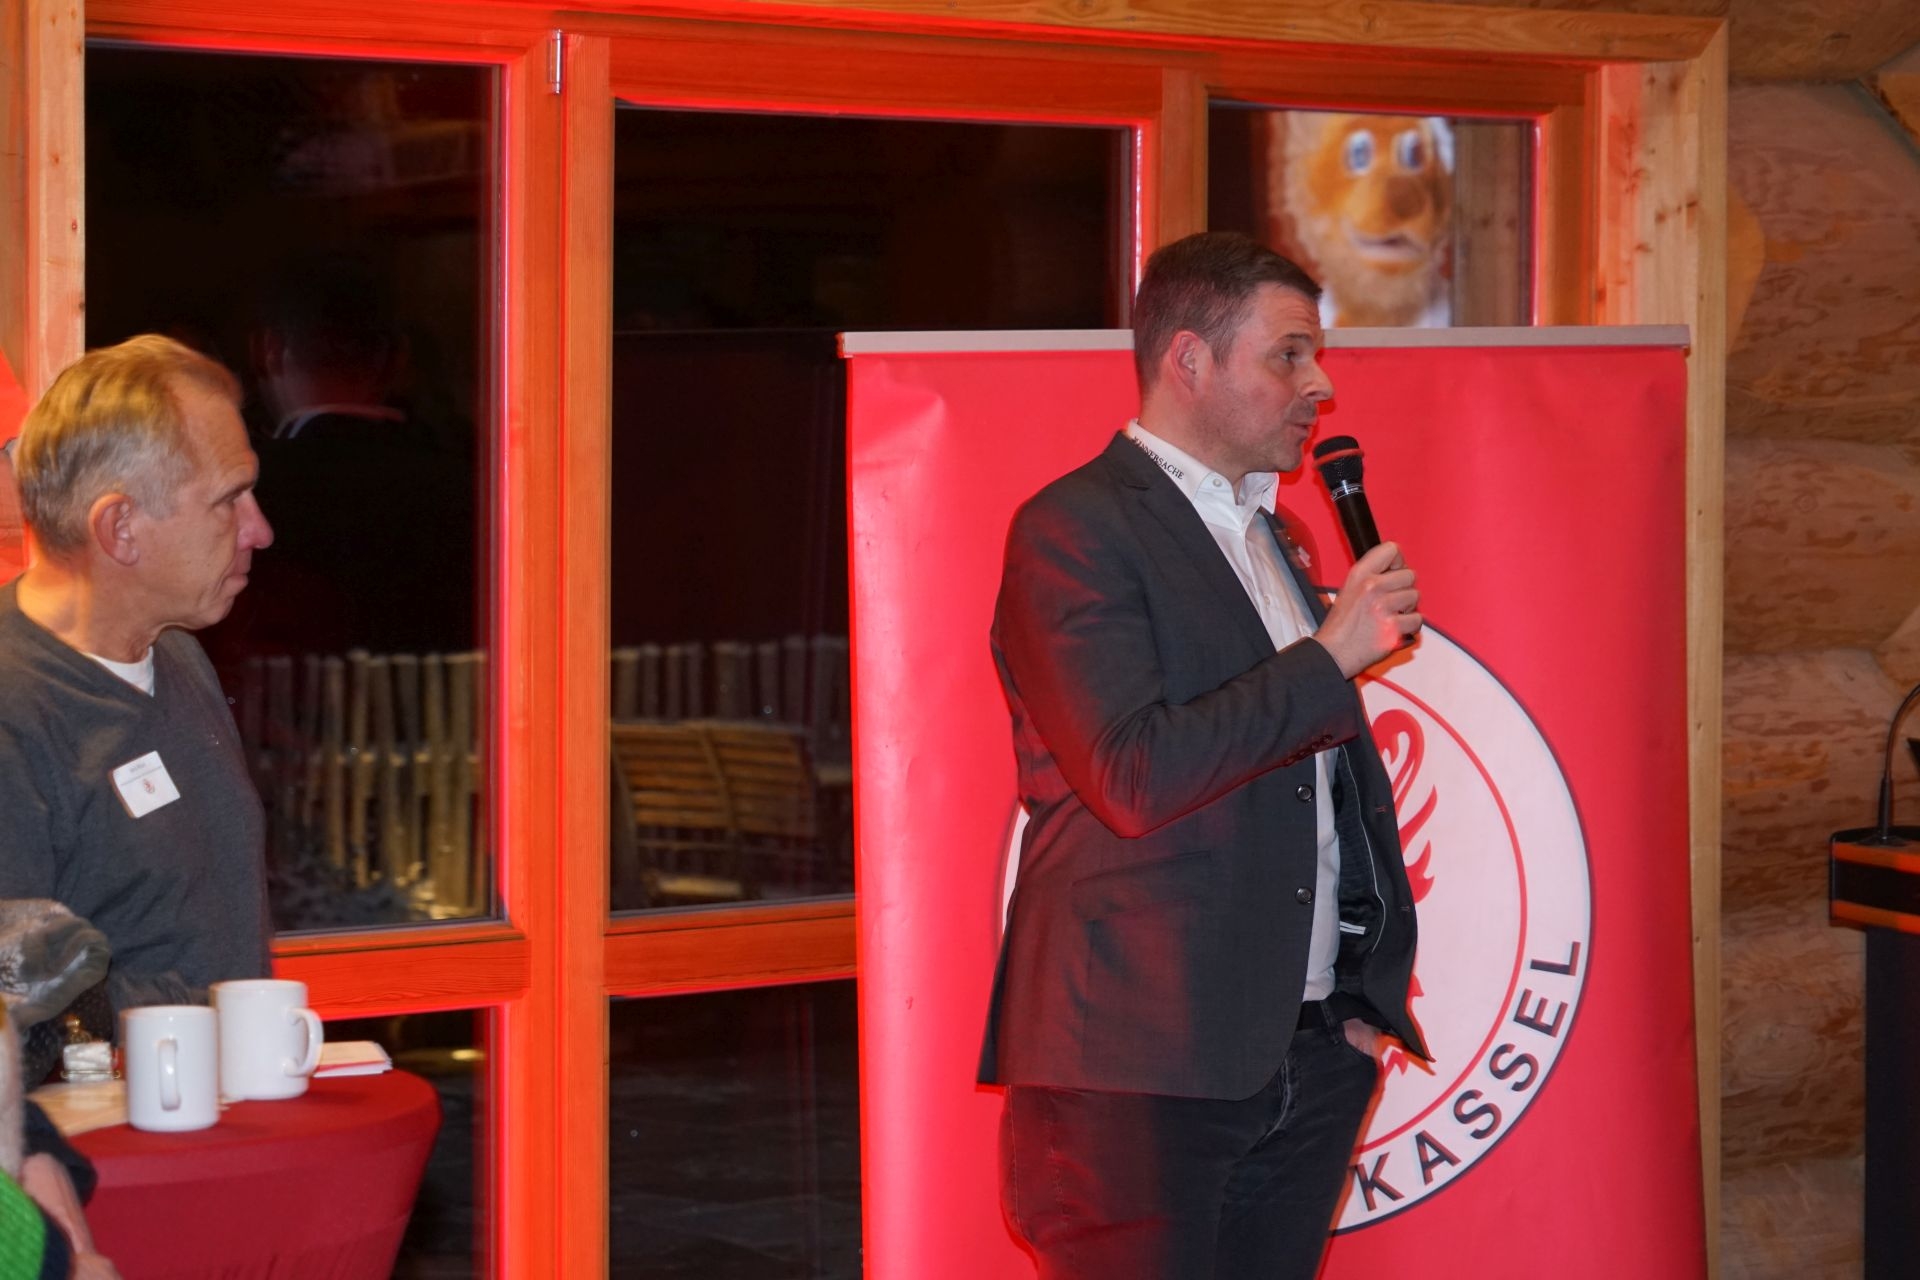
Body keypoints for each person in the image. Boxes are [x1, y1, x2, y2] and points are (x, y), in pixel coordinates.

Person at [981, 231, 1428, 1279]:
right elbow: (1132, 774)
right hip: (1138, 1065)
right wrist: (1329, 658)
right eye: (1288, 354)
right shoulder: (1074, 528)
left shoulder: (1277, 536)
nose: (1320, 386)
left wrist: (1350, 1007)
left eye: (1316, 356)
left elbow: (1322, 788)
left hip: (1303, 1051)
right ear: (1189, 358)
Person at [0, 334, 274, 1015]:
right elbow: (18, 1004)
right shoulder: (14, 711)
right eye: (229, 500)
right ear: (120, 527)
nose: (259, 530)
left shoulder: (177, 652)